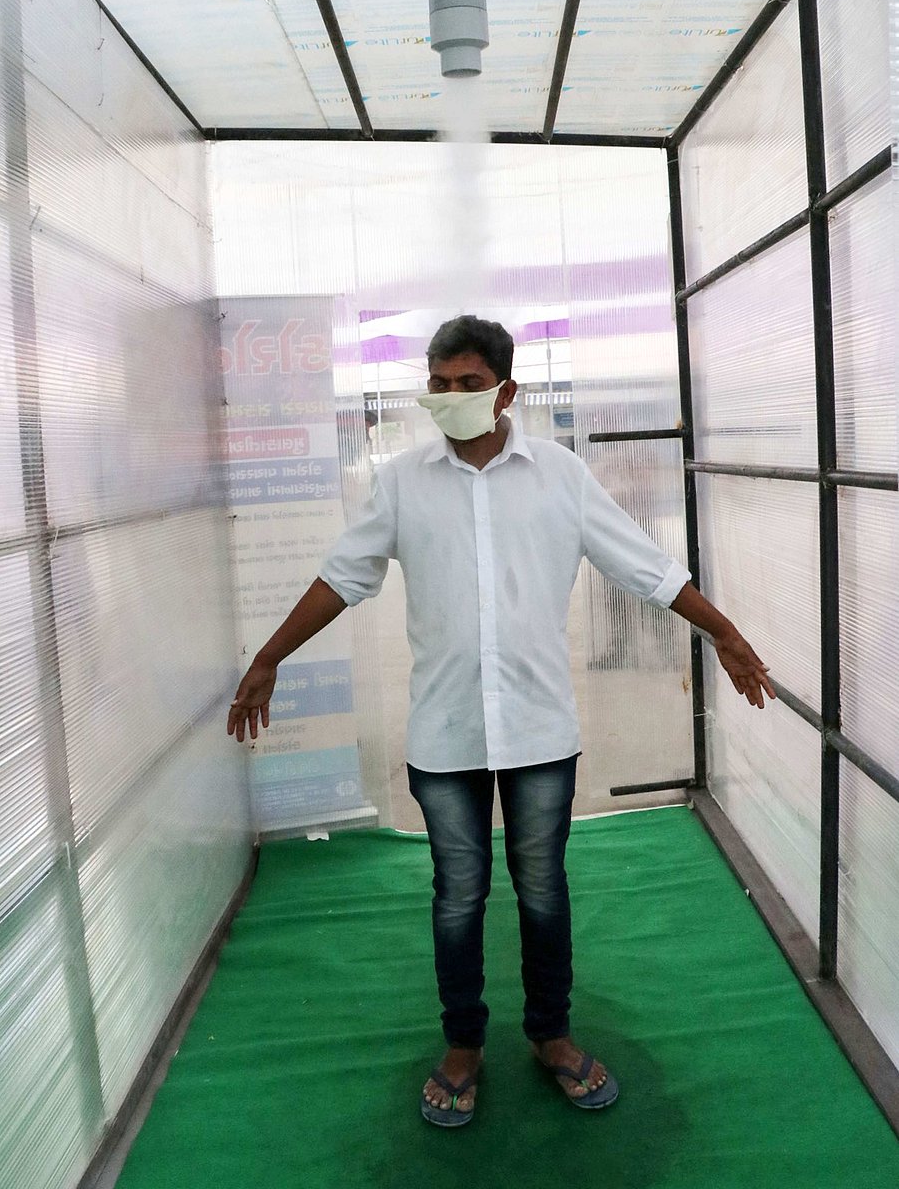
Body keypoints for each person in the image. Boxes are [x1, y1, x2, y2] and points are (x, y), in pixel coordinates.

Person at [228, 315, 775, 1129]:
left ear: (506, 390)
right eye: (439, 385)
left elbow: (644, 564)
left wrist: (724, 630)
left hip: (538, 731)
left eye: (468, 384)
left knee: (543, 887)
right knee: (458, 893)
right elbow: (343, 576)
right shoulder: (404, 482)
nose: (449, 398)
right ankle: (463, 1047)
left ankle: (552, 1036)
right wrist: (269, 656)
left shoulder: (559, 475)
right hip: (444, 733)